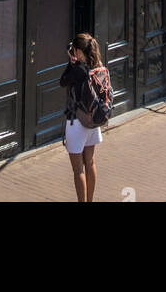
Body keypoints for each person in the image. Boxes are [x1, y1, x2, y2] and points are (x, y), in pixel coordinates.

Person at [59, 33, 108, 203]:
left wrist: (71, 63)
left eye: (74, 50)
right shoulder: (98, 65)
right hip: (94, 121)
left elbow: (63, 81)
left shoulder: (79, 70)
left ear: (79, 51)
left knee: (78, 169)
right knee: (91, 162)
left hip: (76, 122)